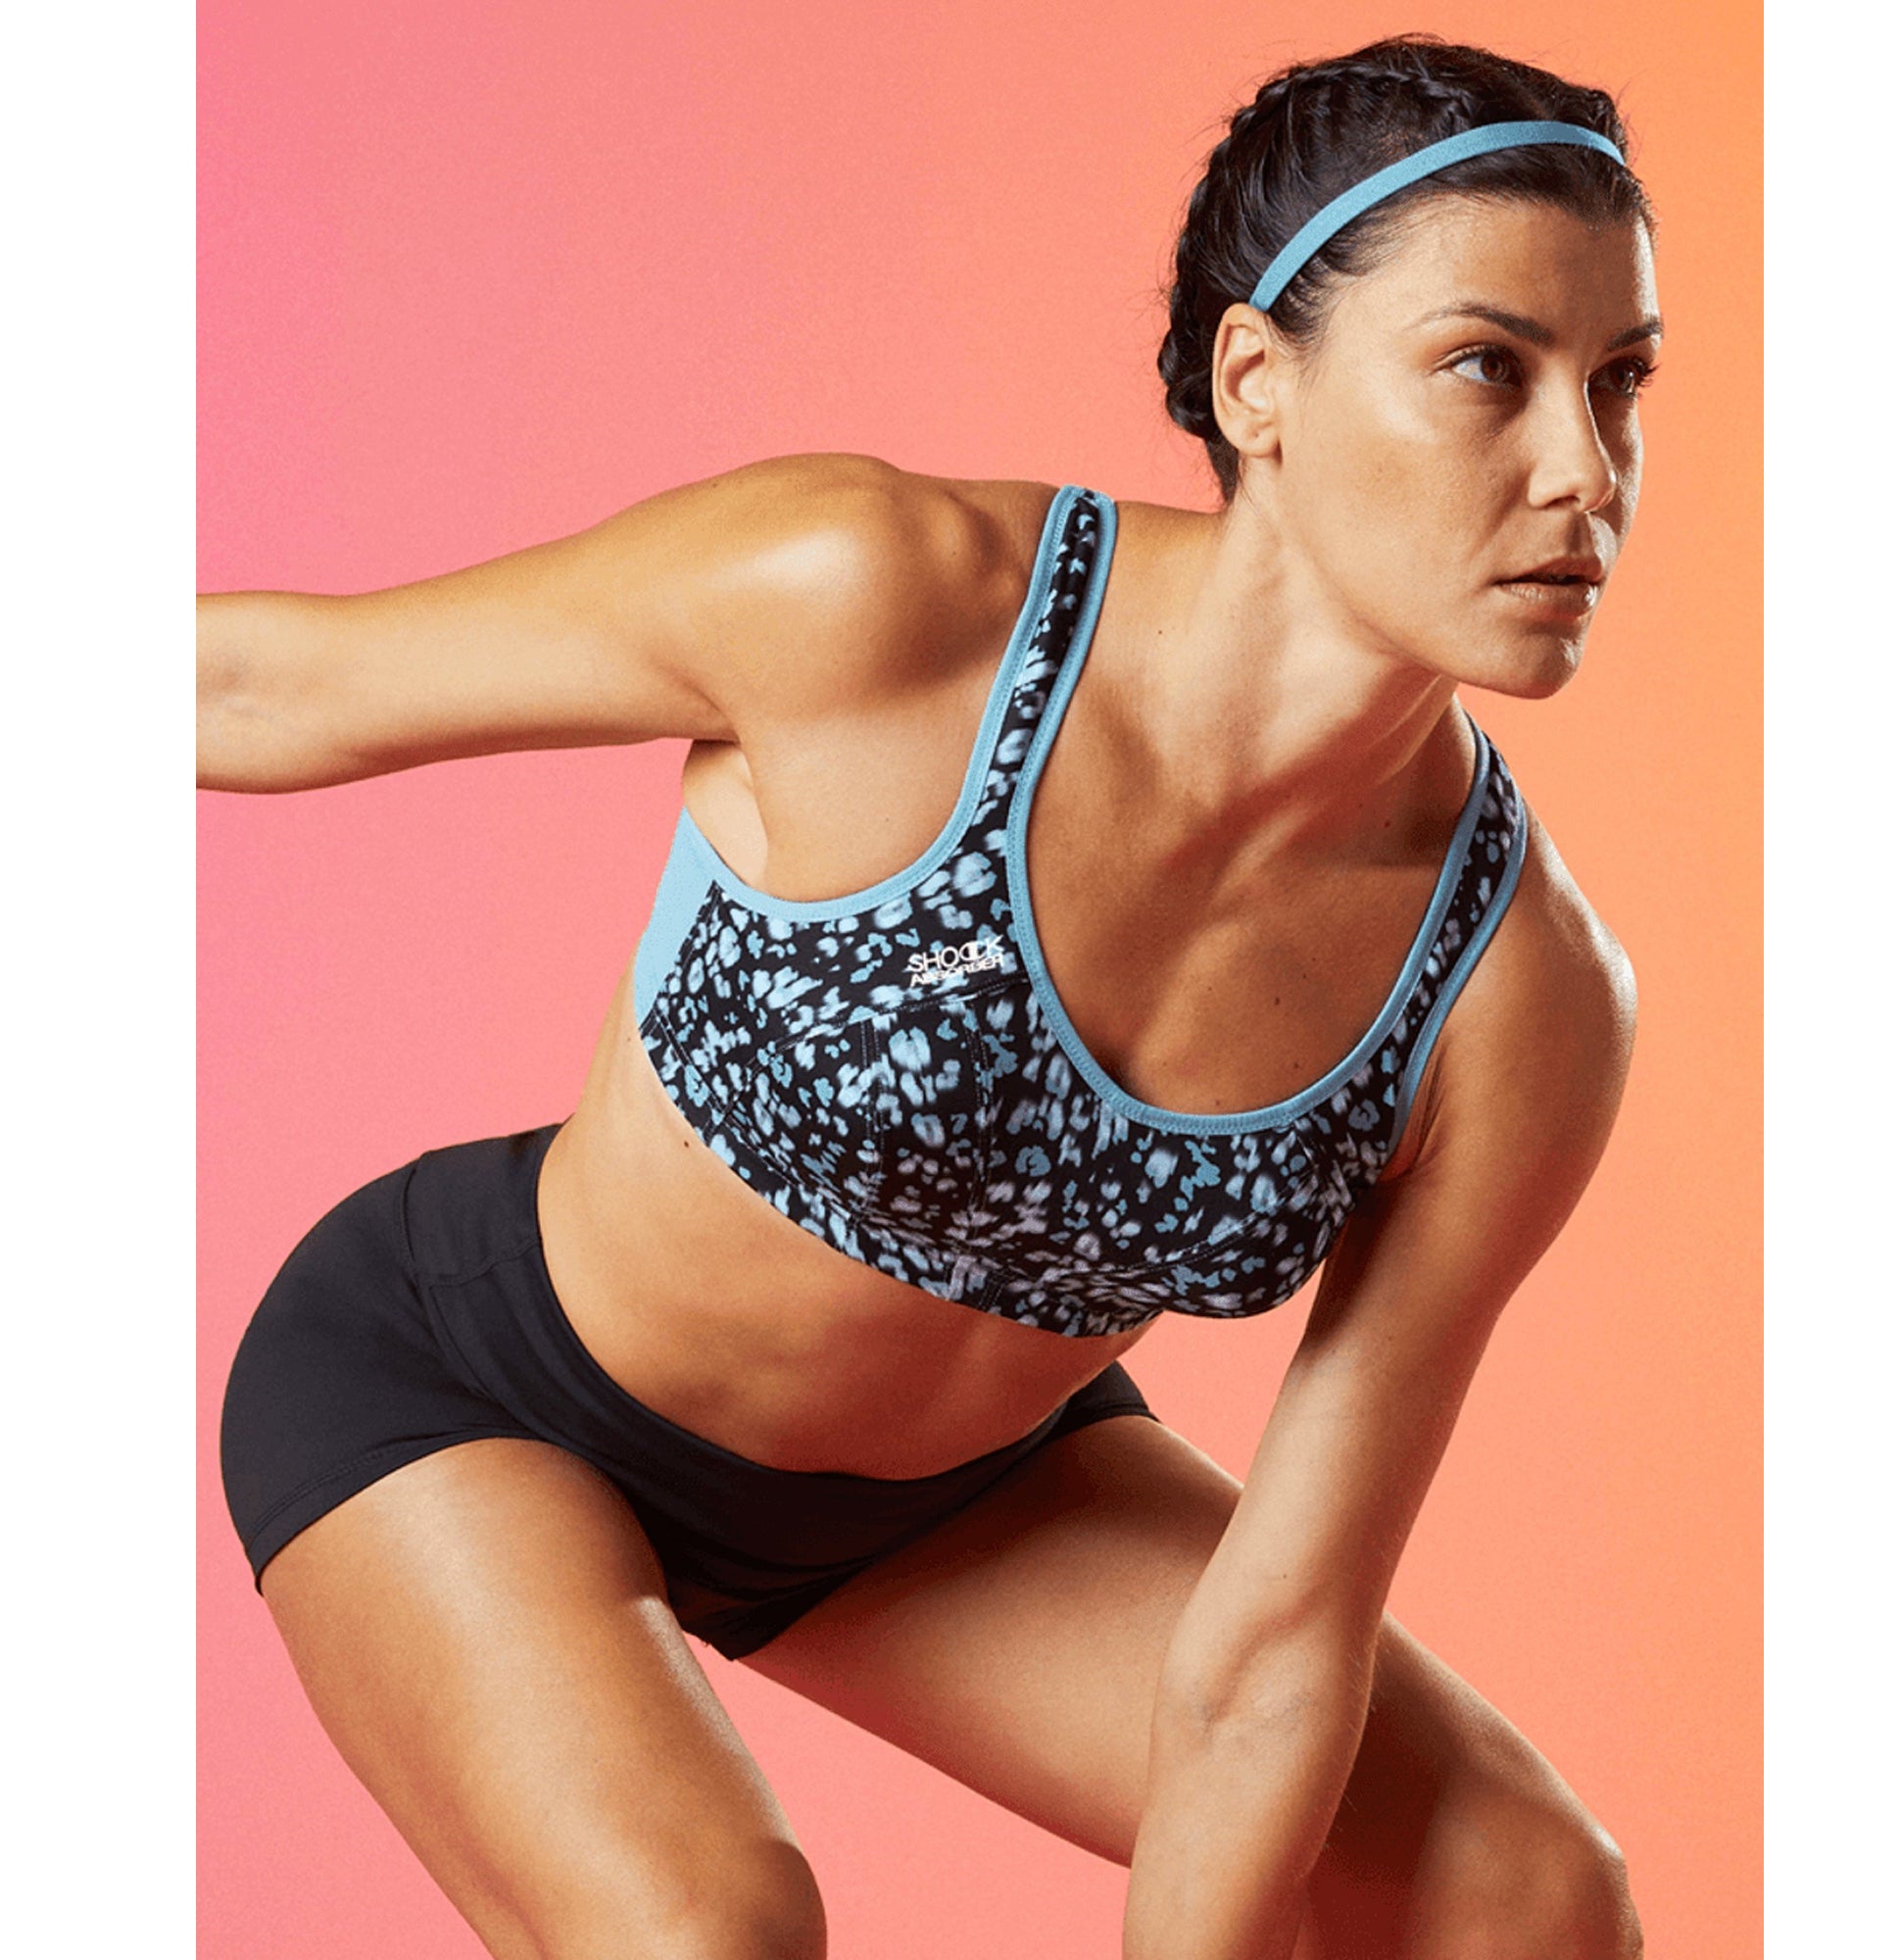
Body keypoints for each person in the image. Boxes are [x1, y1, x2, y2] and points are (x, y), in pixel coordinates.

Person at [201, 32, 1659, 1960]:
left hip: (959, 1511)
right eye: (1489, 367)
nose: (1583, 473)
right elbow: (270, 689)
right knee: (716, 1934)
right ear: (1258, 382)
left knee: (1528, 1896)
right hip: (481, 1388)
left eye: (1621, 382)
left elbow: (1275, 1637)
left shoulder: (1518, 996)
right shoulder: (889, 599)